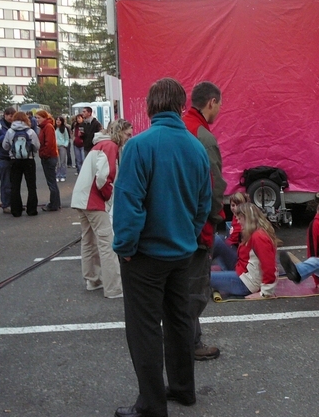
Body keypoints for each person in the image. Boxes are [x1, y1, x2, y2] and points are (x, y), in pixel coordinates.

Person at [112, 77, 211, 417]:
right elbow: (203, 203)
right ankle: (184, 390)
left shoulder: (140, 145)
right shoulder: (196, 147)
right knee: (179, 321)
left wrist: (125, 245)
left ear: (150, 107)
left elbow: (129, 202)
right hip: (182, 252)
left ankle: (151, 405)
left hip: (146, 256)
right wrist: (189, 234)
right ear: (182, 106)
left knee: (144, 330)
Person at [182, 81, 227, 361]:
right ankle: (188, 343)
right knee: (195, 289)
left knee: (182, 287)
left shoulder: (181, 127)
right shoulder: (203, 136)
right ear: (211, 102)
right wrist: (215, 219)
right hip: (198, 228)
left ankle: (189, 339)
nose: (219, 110)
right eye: (219, 105)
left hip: (177, 224)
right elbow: (214, 186)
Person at [71, 119, 132, 299]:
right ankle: (113, 287)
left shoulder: (99, 144)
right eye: (127, 134)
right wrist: (108, 196)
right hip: (94, 201)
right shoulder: (110, 146)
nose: (129, 138)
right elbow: (104, 178)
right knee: (107, 243)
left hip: (81, 198)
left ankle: (93, 279)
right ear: (119, 132)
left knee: (88, 240)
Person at [210, 203, 278, 297]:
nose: (238, 222)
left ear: (247, 219)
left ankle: (187, 278)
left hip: (247, 282)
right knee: (218, 240)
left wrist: (265, 293)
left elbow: (270, 266)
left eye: (239, 219)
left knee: (204, 278)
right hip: (242, 270)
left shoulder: (259, 237)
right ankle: (195, 268)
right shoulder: (253, 232)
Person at [1, 111, 40, 217]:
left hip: (14, 160)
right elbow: (37, 146)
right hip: (29, 160)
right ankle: (32, 210)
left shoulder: (10, 131)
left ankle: (16, 210)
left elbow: (5, 146)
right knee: (31, 186)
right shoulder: (30, 131)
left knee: (15, 186)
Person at [212, 192, 249, 271]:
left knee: (218, 240)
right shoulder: (235, 216)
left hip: (240, 262)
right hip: (235, 252)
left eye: (238, 205)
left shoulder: (244, 219)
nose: (235, 208)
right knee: (220, 238)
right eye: (233, 205)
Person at [36, 110, 61, 212]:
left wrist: (44, 154)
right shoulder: (45, 127)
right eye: (36, 118)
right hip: (49, 156)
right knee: (52, 181)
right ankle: (55, 203)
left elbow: (49, 144)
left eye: (38, 118)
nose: (37, 120)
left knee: (51, 182)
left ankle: (54, 204)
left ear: (44, 118)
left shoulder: (47, 127)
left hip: (49, 157)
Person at [55, 116, 70, 182]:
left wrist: (65, 145)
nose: (58, 121)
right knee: (56, 162)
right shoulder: (54, 128)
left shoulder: (64, 129)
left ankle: (63, 175)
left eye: (59, 120)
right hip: (55, 146)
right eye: (57, 120)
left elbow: (67, 138)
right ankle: (57, 175)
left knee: (62, 161)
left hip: (62, 146)